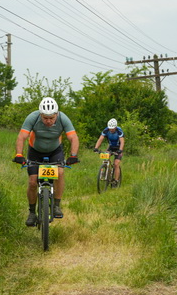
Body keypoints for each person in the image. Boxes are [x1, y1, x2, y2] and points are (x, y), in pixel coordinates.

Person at [13, 97, 79, 227]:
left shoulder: (63, 118)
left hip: (55, 151)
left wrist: (73, 155)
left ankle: (56, 206)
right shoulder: (33, 117)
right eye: (45, 118)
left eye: (51, 118)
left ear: (56, 114)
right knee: (33, 182)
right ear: (40, 115)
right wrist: (19, 155)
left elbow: (73, 137)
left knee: (60, 173)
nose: (48, 121)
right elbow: (22, 137)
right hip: (35, 151)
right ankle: (32, 213)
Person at [94, 118, 124, 186]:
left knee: (116, 163)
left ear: (115, 127)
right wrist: (96, 148)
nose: (111, 130)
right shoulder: (106, 130)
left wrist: (120, 150)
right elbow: (100, 139)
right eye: (110, 128)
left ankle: (116, 181)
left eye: (112, 128)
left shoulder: (119, 131)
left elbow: (122, 141)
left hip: (118, 148)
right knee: (105, 158)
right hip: (110, 147)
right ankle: (106, 172)